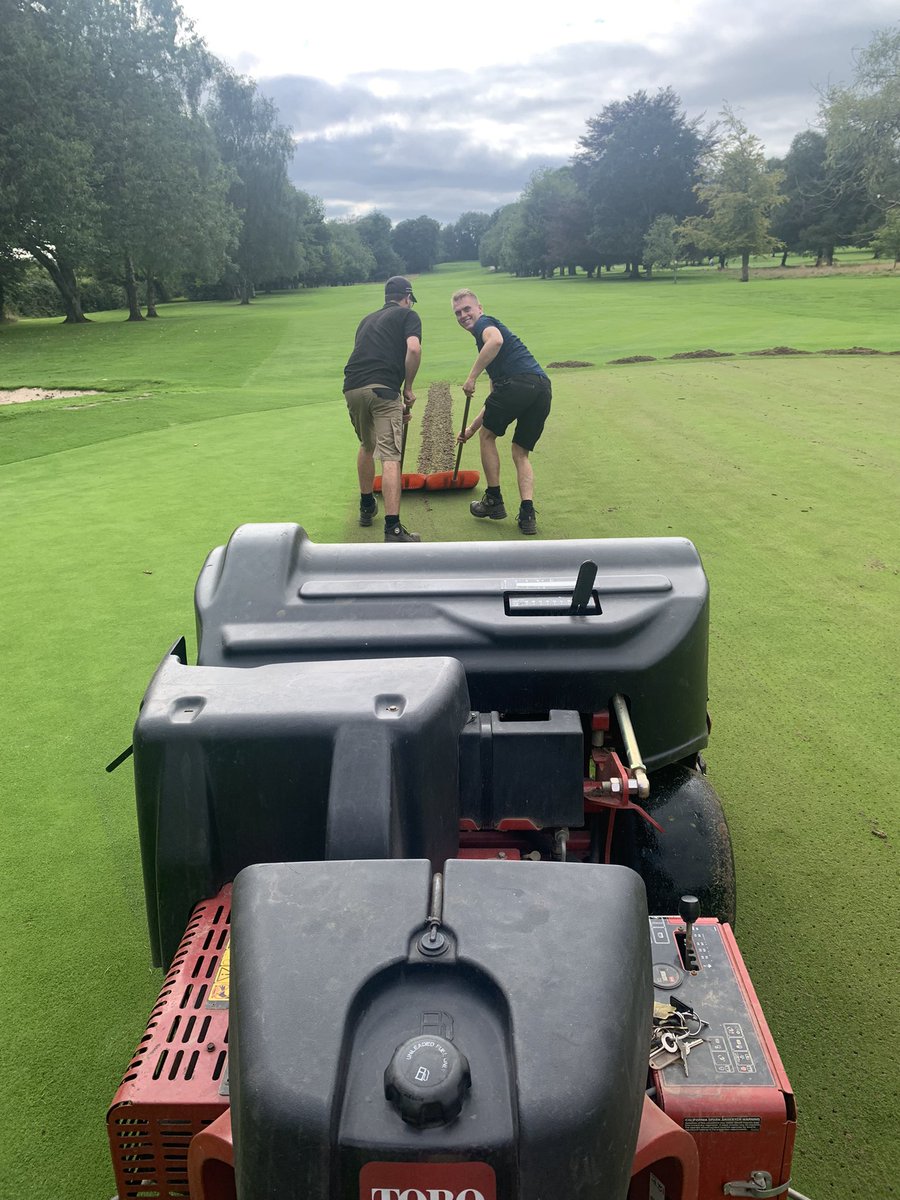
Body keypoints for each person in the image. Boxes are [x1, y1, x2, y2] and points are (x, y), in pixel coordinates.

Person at [452, 289, 551, 535]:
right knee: (520, 452)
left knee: (489, 437)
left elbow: (495, 340)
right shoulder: (498, 358)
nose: (463, 316)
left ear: (479, 308)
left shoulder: (485, 325)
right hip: (541, 388)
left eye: (467, 309)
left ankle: (493, 500)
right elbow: (495, 399)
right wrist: (471, 429)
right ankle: (527, 515)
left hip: (517, 384)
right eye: (458, 313)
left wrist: (471, 377)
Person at [343, 276, 422, 542]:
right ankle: (393, 528)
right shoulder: (408, 316)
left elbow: (370, 360)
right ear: (407, 298)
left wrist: (395, 403)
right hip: (383, 389)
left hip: (352, 388)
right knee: (390, 456)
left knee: (367, 445)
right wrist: (408, 388)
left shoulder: (366, 320)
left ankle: (367, 507)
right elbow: (413, 348)